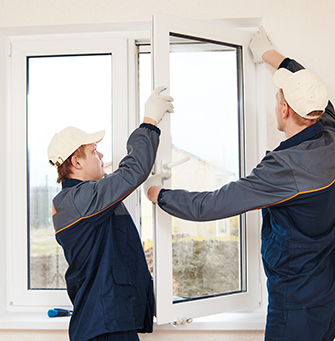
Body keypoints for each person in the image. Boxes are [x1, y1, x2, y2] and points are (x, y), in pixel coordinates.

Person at [144, 27, 335, 341]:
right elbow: (310, 84)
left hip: (295, 305)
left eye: (278, 99)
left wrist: (158, 194)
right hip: (325, 295)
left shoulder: (285, 168)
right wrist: (269, 55)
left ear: (285, 110)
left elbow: (213, 204)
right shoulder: (329, 133)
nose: (276, 104)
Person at [47, 86, 173, 341]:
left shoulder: (80, 200)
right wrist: (150, 121)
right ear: (77, 162)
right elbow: (131, 173)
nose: (101, 155)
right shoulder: (79, 200)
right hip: (104, 327)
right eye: (94, 151)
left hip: (106, 322)